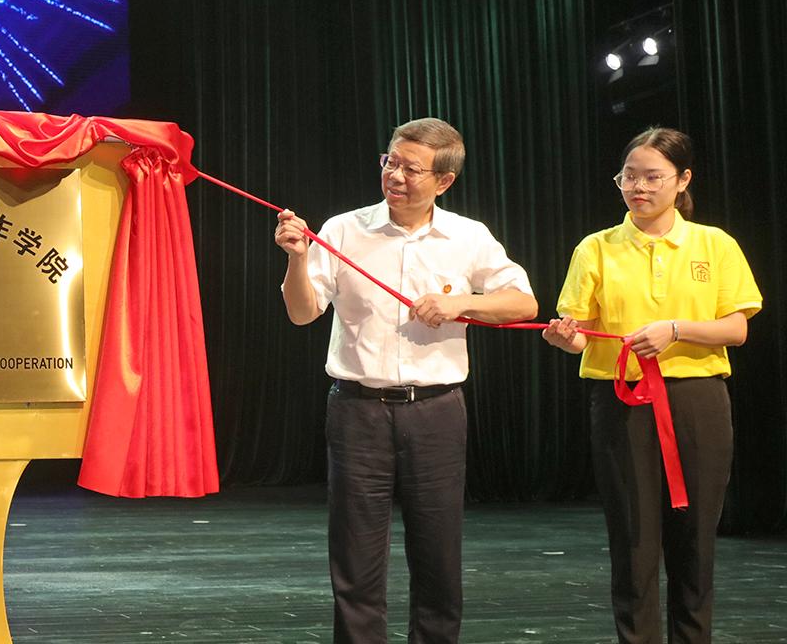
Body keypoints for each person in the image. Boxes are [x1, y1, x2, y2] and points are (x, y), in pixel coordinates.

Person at [274, 117, 538, 642]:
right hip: (357, 411)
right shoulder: (343, 229)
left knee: (438, 554)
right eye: (390, 162)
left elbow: (523, 303)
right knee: (355, 556)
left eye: (411, 169)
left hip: (436, 413)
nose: (395, 176)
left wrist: (461, 303)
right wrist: (297, 260)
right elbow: (302, 313)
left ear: (444, 181)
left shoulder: (468, 237)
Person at [543, 127, 759, 644]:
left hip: (698, 399)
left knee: (695, 535)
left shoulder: (714, 243)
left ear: (683, 180)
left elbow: (737, 328)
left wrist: (676, 330)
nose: (638, 187)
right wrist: (564, 338)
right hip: (621, 400)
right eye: (628, 177)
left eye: (652, 177)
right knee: (633, 536)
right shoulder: (596, 248)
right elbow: (578, 334)